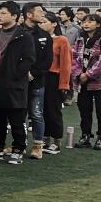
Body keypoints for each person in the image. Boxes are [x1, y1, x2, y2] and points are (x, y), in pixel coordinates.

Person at [0, 1, 34, 165]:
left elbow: (29, 59)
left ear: (15, 16)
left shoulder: (23, 36)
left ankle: (18, 149)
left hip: (15, 84)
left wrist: (15, 74)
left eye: (3, 13)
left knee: (16, 119)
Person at [72, 13, 101, 150]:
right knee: (84, 111)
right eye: (84, 21)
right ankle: (85, 136)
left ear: (98, 24)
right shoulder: (80, 40)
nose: (86, 24)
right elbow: (74, 58)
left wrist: (88, 74)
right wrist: (79, 73)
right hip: (84, 82)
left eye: (90, 21)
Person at [22, 1, 52, 160]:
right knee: (19, 114)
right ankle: (19, 145)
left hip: (37, 81)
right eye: (39, 11)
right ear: (29, 14)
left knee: (36, 113)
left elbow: (47, 60)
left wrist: (33, 73)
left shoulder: (44, 36)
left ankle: (37, 146)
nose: (43, 14)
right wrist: (22, 71)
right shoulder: (17, 33)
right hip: (18, 81)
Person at [41, 12, 70, 153]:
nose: (42, 24)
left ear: (54, 24)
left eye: (45, 21)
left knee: (54, 110)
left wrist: (64, 84)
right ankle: (45, 138)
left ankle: (56, 141)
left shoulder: (62, 40)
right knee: (42, 110)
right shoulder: (40, 39)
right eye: (41, 22)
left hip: (54, 78)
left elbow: (66, 64)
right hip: (41, 76)